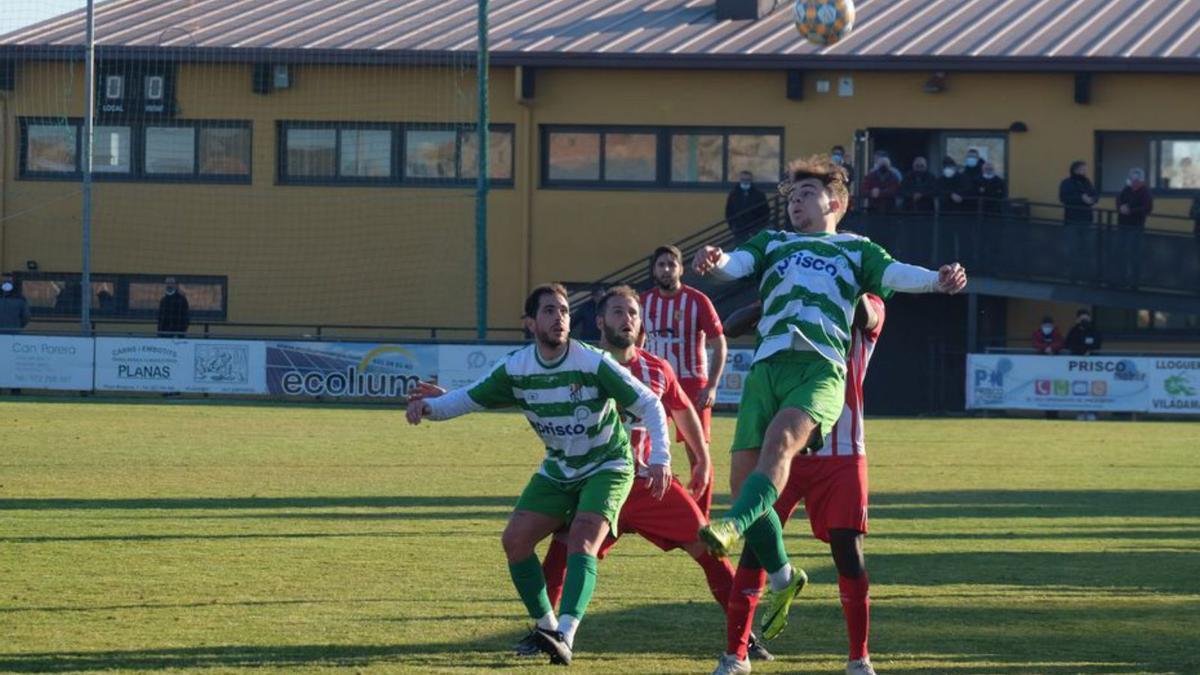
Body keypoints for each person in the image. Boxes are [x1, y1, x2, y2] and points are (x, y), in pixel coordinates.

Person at [692, 155, 966, 643]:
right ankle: (782, 578)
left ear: (836, 202)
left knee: (777, 449)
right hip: (767, 367)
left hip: (819, 366)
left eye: (805, 195)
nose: (794, 204)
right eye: (790, 198)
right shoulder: (774, 243)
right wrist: (717, 263)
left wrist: (936, 280)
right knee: (745, 481)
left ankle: (733, 530)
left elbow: (896, 274)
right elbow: (739, 264)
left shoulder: (854, 249)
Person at [406, 283, 671, 665]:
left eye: (563, 311)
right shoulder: (518, 367)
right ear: (531, 323)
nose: (559, 317)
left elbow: (649, 402)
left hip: (607, 464)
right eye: (549, 311)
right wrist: (428, 407)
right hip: (559, 468)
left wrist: (661, 457)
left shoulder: (591, 361)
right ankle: (548, 627)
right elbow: (465, 399)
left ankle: (566, 634)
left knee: (582, 540)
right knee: (515, 541)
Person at [522, 285, 772, 663]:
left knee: (709, 548)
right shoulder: (581, 362)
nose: (627, 319)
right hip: (596, 481)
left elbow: (683, 410)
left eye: (633, 313)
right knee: (565, 548)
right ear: (601, 320)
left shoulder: (657, 368)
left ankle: (744, 636)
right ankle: (546, 631)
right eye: (618, 312)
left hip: (652, 486)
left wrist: (701, 457)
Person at [715, 294, 885, 675]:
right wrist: (779, 292)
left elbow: (867, 315)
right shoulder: (787, 299)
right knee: (755, 550)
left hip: (842, 454)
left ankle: (859, 658)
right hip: (783, 452)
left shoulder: (867, 300)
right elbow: (730, 325)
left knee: (848, 551)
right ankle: (736, 656)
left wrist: (835, 270)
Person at [641, 245, 726, 516]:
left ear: (681, 268)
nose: (666, 269)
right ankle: (643, 508)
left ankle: (702, 516)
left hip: (692, 385)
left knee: (697, 453)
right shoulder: (643, 302)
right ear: (654, 270)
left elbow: (719, 344)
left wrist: (712, 385)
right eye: (661, 264)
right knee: (643, 445)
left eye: (671, 264)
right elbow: (637, 344)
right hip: (655, 386)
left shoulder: (697, 300)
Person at [1059, 161, 1099, 282]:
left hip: (1087, 220)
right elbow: (1063, 198)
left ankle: (1087, 275)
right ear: (1075, 169)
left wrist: (1092, 199)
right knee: (1072, 249)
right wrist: (1081, 198)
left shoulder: (1087, 182)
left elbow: (1095, 195)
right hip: (1072, 220)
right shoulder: (1066, 183)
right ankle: (1073, 276)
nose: (1085, 171)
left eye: (1085, 169)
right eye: (1083, 169)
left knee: (1087, 249)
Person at [1115, 168, 1153, 288]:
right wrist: (1121, 207)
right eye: (1131, 177)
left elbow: (1147, 208)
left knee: (1134, 254)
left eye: (1135, 178)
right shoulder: (1126, 189)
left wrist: (1130, 211)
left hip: (1136, 226)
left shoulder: (1145, 191)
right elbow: (1118, 199)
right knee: (1122, 253)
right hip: (1123, 225)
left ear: (1140, 179)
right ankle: (1122, 279)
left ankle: (1135, 281)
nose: (1132, 180)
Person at [726, 170, 771, 243]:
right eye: (743, 180)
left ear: (751, 180)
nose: (745, 182)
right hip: (739, 230)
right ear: (740, 180)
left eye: (747, 180)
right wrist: (732, 227)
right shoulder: (733, 195)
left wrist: (760, 227)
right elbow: (729, 212)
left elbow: (766, 212)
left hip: (755, 230)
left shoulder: (759, 195)